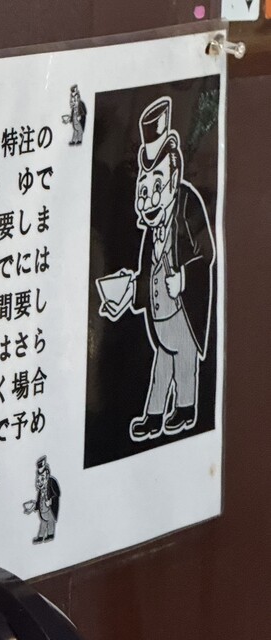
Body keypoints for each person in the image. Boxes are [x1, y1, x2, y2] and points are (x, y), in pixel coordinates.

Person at [98, 96, 215, 441]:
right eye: (144, 189)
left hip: (183, 312)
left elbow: (207, 254)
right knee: (162, 367)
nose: (148, 197)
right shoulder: (152, 230)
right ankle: (153, 416)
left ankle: (185, 408)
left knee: (184, 363)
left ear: (174, 177)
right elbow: (150, 276)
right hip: (160, 318)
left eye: (157, 186)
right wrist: (126, 293)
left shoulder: (189, 205)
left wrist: (184, 278)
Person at [23, 456, 60, 543]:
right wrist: (32, 508)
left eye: (42, 478)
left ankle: (50, 535)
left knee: (50, 522)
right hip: (43, 511)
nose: (40, 481)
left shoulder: (51, 482)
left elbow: (57, 493)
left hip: (49, 510)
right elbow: (38, 502)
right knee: (43, 524)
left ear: (47, 474)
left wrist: (50, 501)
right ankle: (40, 536)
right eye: (38, 479)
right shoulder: (41, 490)